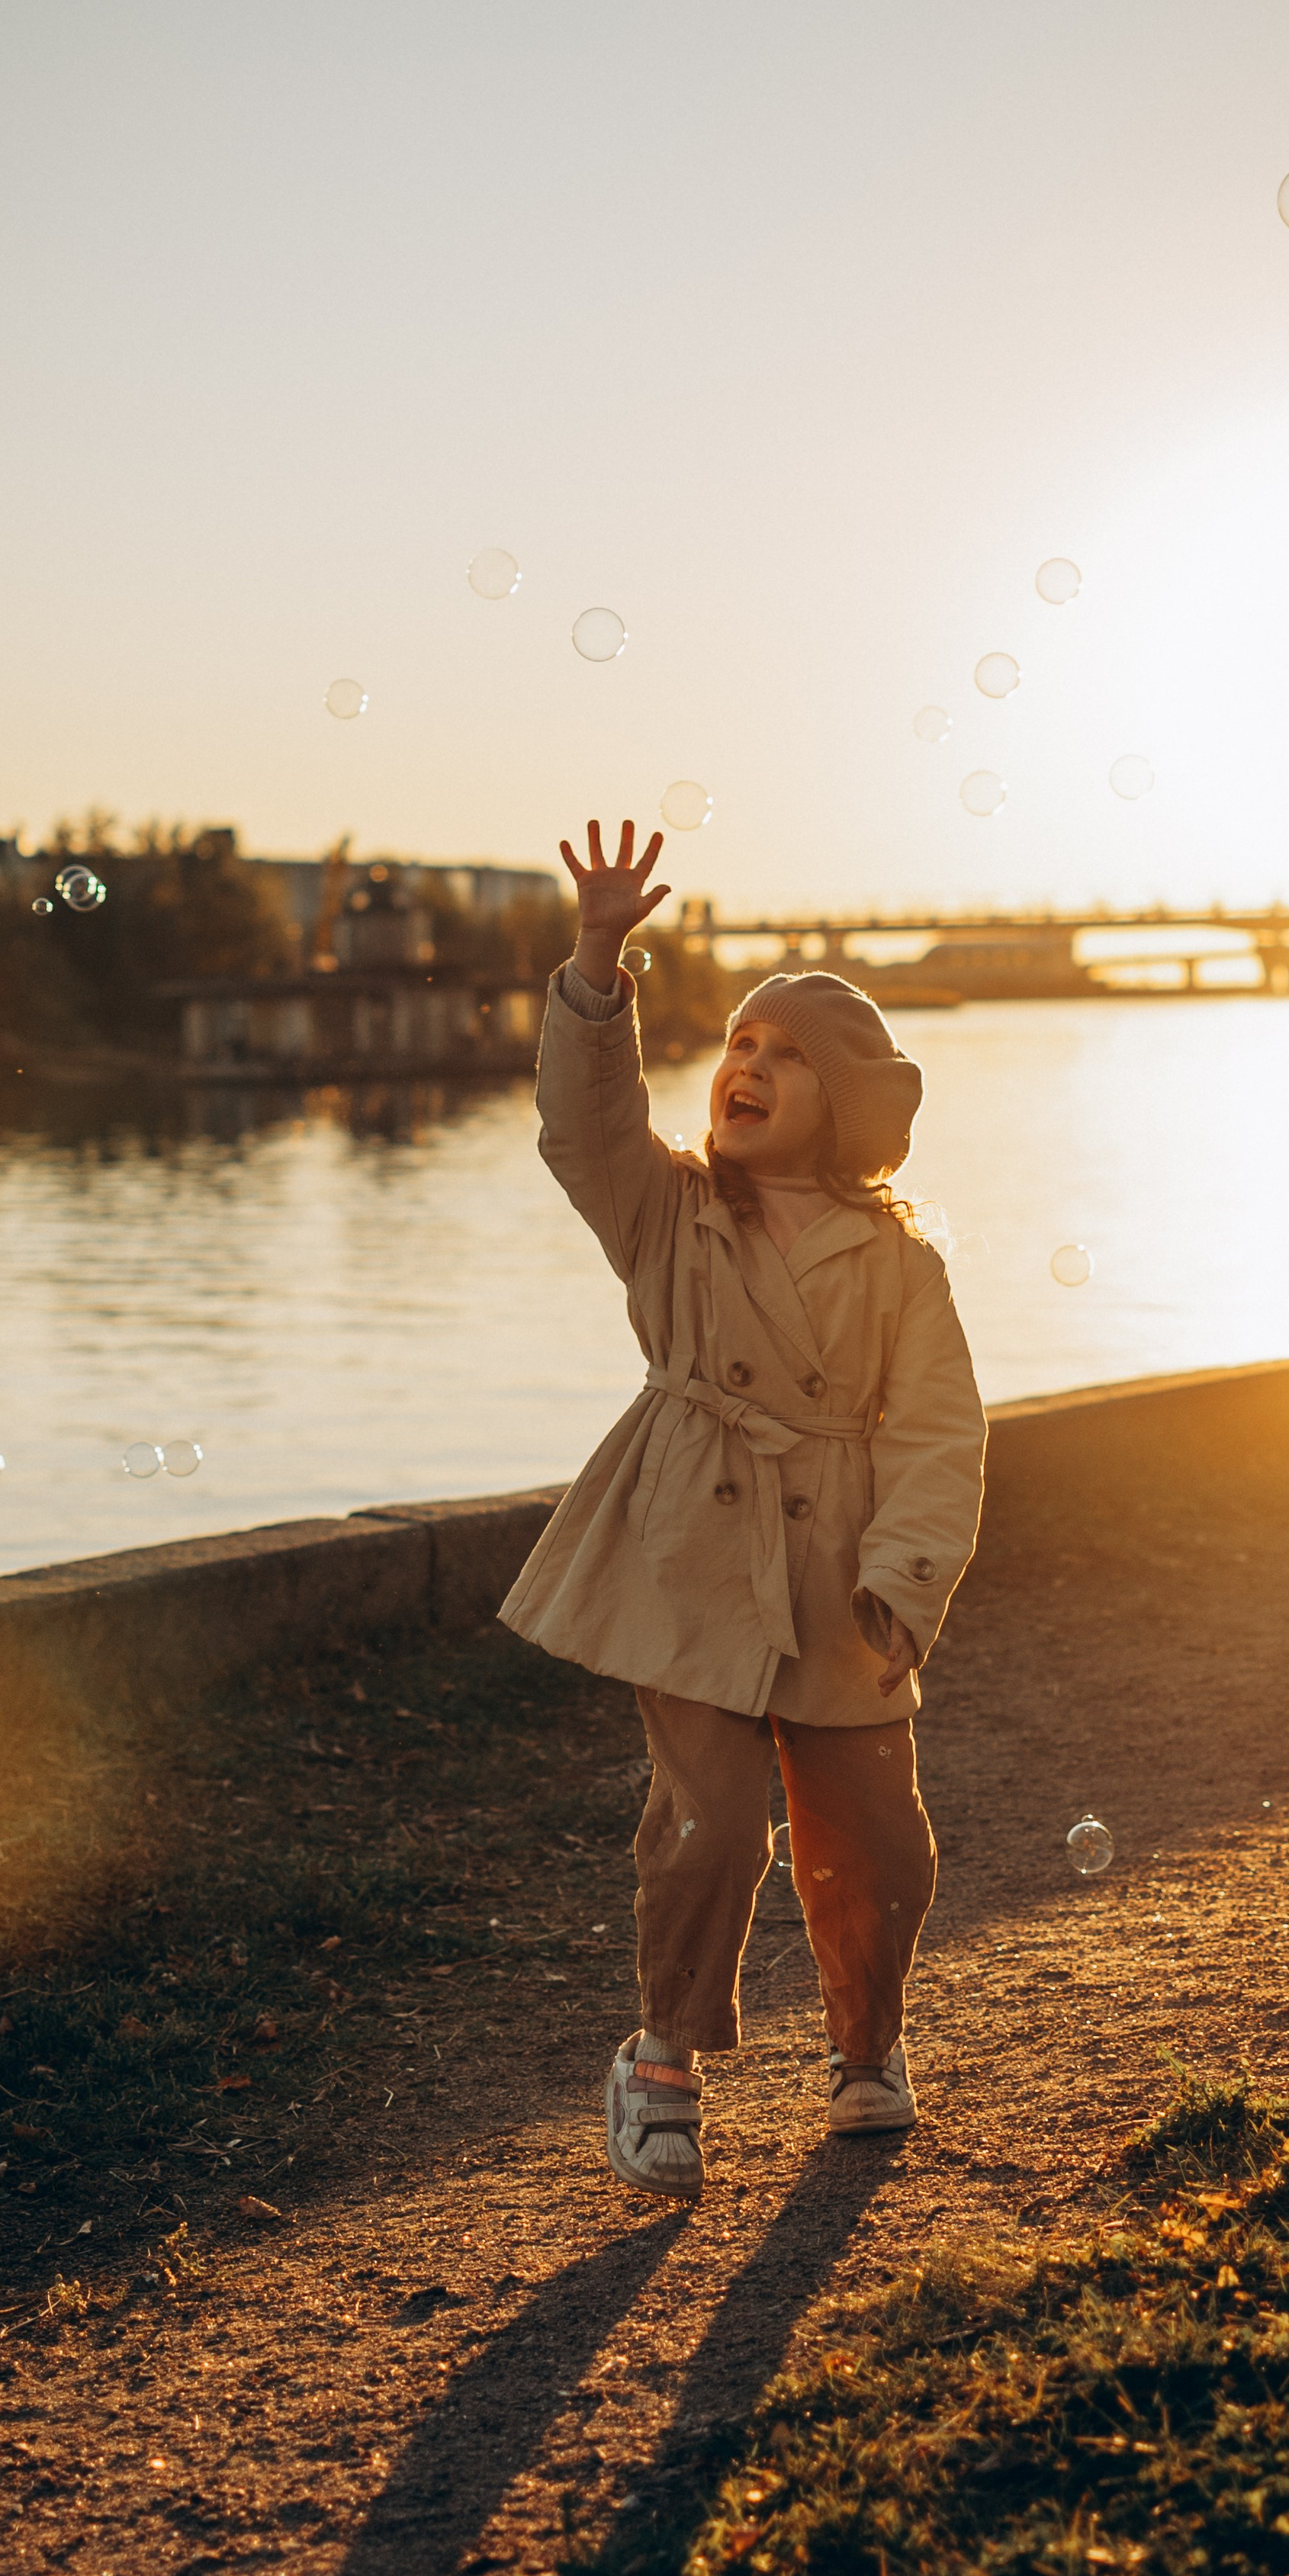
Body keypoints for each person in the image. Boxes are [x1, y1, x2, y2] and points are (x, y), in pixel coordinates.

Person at [500, 821, 987, 2198]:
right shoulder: (663, 1209)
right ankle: (661, 2060)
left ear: (845, 1105)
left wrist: (905, 1570)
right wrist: (600, 964)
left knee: (875, 1837)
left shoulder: (901, 1266)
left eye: (785, 1058)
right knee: (710, 1819)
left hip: (841, 1569)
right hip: (693, 1548)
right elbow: (581, 1122)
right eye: (741, 1049)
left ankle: (866, 2044)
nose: (749, 1070)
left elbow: (942, 1430)